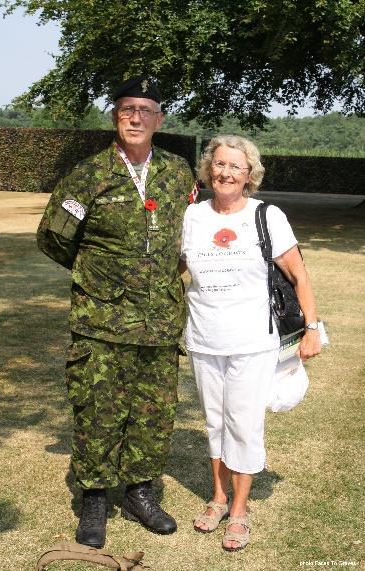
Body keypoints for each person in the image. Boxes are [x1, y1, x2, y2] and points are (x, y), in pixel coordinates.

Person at [37, 76, 195, 548]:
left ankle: (140, 493)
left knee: (153, 413)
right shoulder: (88, 175)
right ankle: (95, 499)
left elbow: (184, 236)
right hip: (101, 323)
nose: (135, 117)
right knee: (97, 412)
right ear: (115, 116)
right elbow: (53, 236)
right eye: (127, 109)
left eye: (145, 110)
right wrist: (99, 279)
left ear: (159, 119)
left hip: (160, 322)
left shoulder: (178, 172)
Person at [179, 135, 321, 551]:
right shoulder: (191, 217)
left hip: (253, 341)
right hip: (204, 339)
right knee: (215, 423)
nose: (226, 173)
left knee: (243, 423)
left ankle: (239, 511)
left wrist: (312, 327)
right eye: (220, 164)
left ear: (249, 175)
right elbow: (174, 269)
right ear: (208, 170)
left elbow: (299, 274)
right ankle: (218, 498)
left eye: (236, 167)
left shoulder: (266, 216)